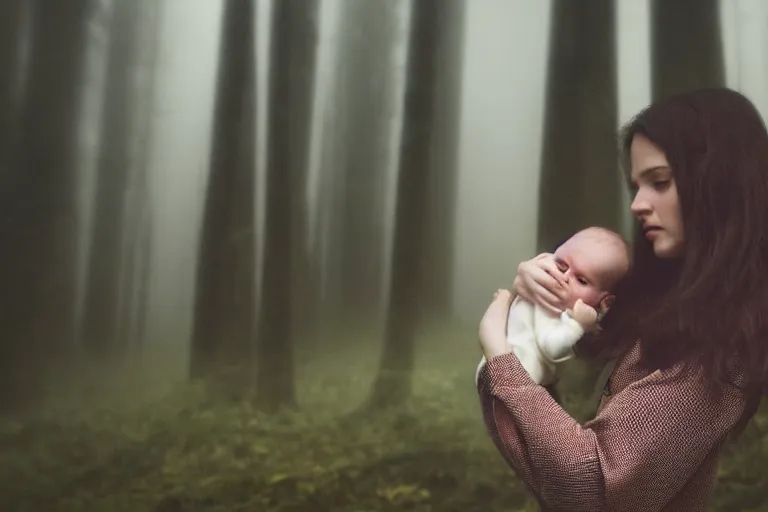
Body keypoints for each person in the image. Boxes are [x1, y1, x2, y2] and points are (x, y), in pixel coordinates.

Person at [475, 87, 768, 511]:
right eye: (637, 185)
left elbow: (589, 488)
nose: (637, 204)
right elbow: (585, 341)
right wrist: (541, 293)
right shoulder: (679, 302)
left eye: (660, 182)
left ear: (719, 183)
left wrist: (501, 362)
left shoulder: (722, 344)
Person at [474, 227, 630, 388]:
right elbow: (552, 348)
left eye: (581, 280)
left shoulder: (561, 307)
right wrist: (577, 325)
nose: (564, 277)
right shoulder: (549, 305)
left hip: (509, 379)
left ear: (606, 301)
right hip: (511, 382)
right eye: (562, 266)